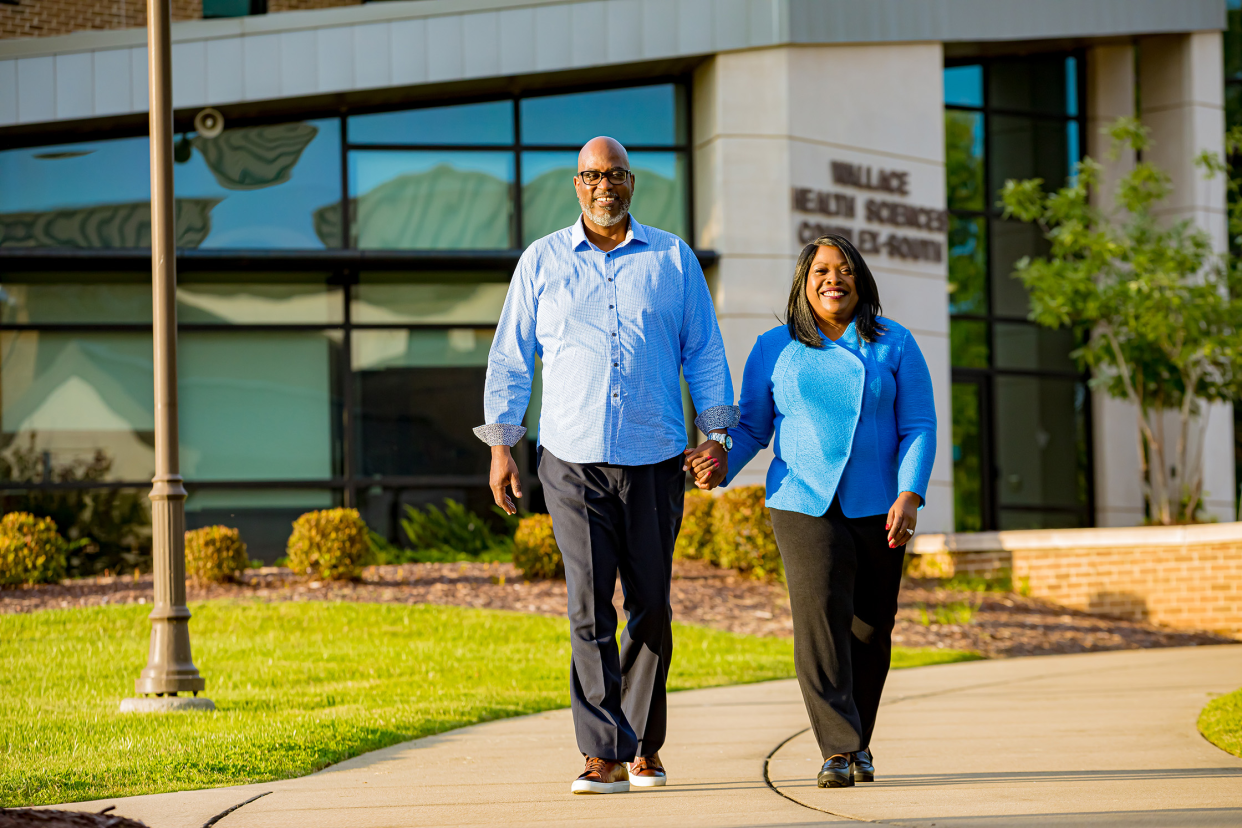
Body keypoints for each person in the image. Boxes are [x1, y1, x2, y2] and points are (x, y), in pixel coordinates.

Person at [474, 136, 738, 795]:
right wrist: (502, 445)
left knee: (651, 606)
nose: (604, 186)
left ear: (630, 182)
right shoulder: (542, 262)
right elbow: (511, 357)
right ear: (577, 185)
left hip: (654, 458)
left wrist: (717, 437)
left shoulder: (673, 259)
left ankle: (644, 745)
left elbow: (704, 353)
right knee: (589, 605)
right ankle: (602, 752)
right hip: (570, 458)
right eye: (592, 175)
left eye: (615, 174)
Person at [688, 234, 936, 788]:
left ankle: (858, 743)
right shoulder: (774, 346)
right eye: (822, 270)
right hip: (802, 500)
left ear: (861, 281)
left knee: (872, 630)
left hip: (880, 506)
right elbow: (753, 425)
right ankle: (838, 749)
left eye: (845, 269)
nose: (834, 279)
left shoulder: (894, 343)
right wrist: (721, 457)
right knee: (820, 620)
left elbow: (918, 425)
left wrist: (909, 493)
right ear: (804, 281)